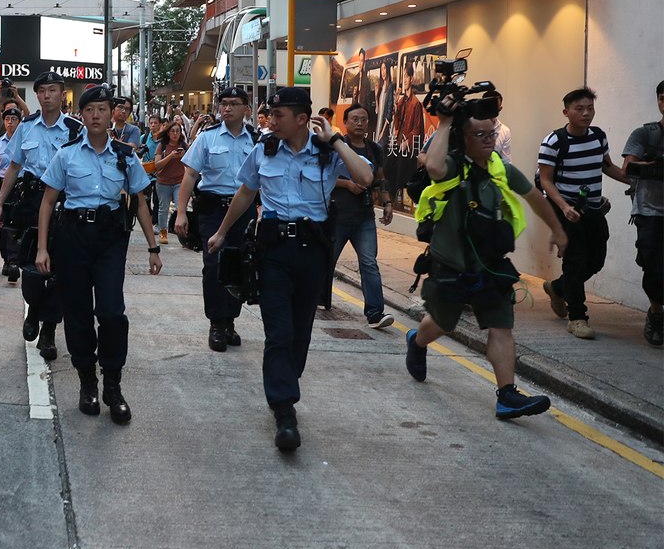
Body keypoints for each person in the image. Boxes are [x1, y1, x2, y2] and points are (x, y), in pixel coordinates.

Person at [206, 87, 373, 452]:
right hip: (273, 250)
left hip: (313, 251)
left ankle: (285, 380)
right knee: (278, 332)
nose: (271, 121)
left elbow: (365, 177)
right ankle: (284, 410)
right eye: (270, 114)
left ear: (302, 119)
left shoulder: (328, 153)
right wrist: (221, 232)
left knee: (300, 333)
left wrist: (336, 139)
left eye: (279, 115)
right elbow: (247, 192)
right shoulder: (263, 148)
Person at [404, 99, 567, 420]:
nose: (489, 140)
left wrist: (557, 229)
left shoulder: (499, 167)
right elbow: (433, 168)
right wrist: (446, 122)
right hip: (450, 264)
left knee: (501, 326)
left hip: (490, 264)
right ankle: (417, 340)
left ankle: (507, 395)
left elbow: (534, 197)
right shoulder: (451, 164)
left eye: (491, 133)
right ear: (463, 139)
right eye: (479, 135)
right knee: (442, 323)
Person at [35, 84, 162, 424]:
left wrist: (153, 247)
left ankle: (113, 385)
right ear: (82, 114)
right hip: (72, 237)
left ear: (113, 115)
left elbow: (139, 203)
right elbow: (48, 202)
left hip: (109, 239)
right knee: (77, 313)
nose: (96, 115)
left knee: (111, 312)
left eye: (103, 110)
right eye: (90, 110)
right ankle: (87, 381)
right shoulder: (67, 154)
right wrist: (43, 247)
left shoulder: (125, 155)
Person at [0, 72, 83, 361]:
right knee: (29, 266)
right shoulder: (27, 127)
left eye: (53, 90)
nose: (47, 96)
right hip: (31, 200)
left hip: (63, 203)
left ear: (62, 94)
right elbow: (14, 167)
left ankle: (49, 331)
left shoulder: (74, 129)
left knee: (57, 270)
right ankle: (32, 309)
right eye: (42, 91)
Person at [537, 87, 629, 339]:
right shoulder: (553, 141)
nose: (586, 113)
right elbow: (545, 180)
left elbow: (607, 167)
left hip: (594, 209)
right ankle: (577, 318)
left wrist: (634, 180)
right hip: (568, 210)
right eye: (580, 109)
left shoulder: (598, 136)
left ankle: (557, 287)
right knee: (576, 262)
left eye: (590, 108)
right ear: (566, 112)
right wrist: (564, 207)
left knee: (596, 260)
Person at [176, 87, 258, 352]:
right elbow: (189, 175)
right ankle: (216, 323)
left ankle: (230, 320)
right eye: (223, 103)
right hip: (213, 209)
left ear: (246, 108)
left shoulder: (256, 140)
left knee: (239, 266)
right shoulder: (207, 138)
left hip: (244, 212)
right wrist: (180, 213)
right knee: (213, 265)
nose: (227, 108)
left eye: (234, 104)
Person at [327, 104, 395, 329]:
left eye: (364, 119)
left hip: (364, 217)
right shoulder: (336, 146)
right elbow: (321, 177)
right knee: (327, 261)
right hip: (337, 216)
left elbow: (380, 178)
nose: (359, 123)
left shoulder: (374, 149)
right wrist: (346, 184)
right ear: (345, 123)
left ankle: (375, 313)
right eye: (354, 119)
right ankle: (319, 298)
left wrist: (386, 202)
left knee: (369, 263)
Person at [622, 81, 664, 345]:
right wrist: (656, 165)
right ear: (660, 101)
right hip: (650, 211)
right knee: (653, 266)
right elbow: (629, 169)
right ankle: (657, 314)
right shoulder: (645, 134)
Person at [0, 105, 23, 282]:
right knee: (2, 225)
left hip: (19, 187)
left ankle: (13, 261)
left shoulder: (25, 143)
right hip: (0, 185)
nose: (10, 123)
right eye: (7, 119)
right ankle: (7, 257)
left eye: (14, 119)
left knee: (15, 224)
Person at [153, 121, 188, 245]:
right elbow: (157, 165)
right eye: (172, 131)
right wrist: (170, 157)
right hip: (163, 182)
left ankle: (183, 235)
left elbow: (189, 165)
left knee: (180, 207)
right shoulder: (162, 145)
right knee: (163, 208)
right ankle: (163, 232)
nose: (175, 134)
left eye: (178, 131)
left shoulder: (184, 145)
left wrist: (183, 157)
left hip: (179, 181)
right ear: (168, 133)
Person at [482, 88, 512, 163]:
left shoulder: (504, 131)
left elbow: (506, 161)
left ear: (500, 108)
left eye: (494, 106)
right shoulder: (471, 126)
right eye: (488, 105)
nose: (490, 109)